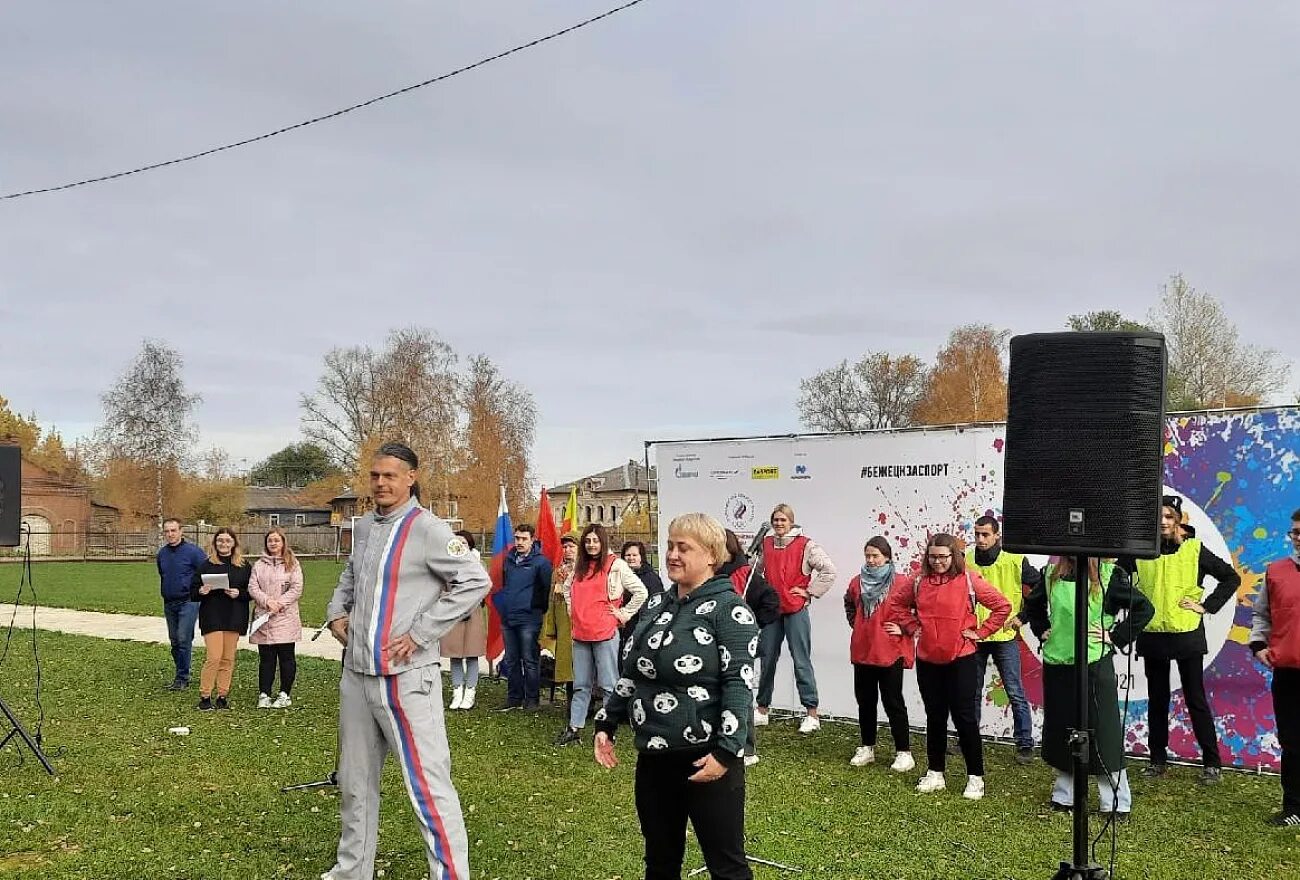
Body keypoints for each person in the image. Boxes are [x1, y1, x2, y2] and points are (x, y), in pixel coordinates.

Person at [321, 442, 491, 880]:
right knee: (354, 784)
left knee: (428, 787)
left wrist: (420, 634)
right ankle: (352, 871)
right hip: (356, 675)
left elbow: (475, 580)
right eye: (375, 475)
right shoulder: (363, 527)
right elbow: (351, 576)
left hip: (407, 680)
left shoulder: (430, 529)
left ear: (411, 477)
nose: (380, 483)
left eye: (390, 476)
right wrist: (337, 610)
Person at [594, 513, 759, 880]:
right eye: (670, 545)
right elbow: (634, 672)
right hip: (654, 759)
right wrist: (607, 721)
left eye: (684, 548)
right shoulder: (655, 605)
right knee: (660, 862)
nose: (672, 554)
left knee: (726, 867)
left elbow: (739, 684)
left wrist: (726, 751)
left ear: (711, 556)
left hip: (707, 760)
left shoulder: (730, 611)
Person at [1023, 555, 1153, 821]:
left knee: (1103, 732)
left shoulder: (1109, 575)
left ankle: (1115, 802)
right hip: (1058, 662)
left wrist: (1116, 636)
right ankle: (1064, 796)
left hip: (1094, 663)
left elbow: (1143, 608)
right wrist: (1041, 628)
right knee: (1063, 730)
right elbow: (1033, 605)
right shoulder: (1050, 574)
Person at [1124, 495, 1240, 784]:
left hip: (1187, 635)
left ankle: (1212, 762)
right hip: (1152, 635)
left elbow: (1230, 578)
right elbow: (1113, 575)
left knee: (1195, 697)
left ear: (1178, 520)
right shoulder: (1141, 550)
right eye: (1158, 517)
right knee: (1157, 699)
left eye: (1168, 517)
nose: (1162, 522)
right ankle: (1157, 760)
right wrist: (1130, 603)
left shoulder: (1194, 549)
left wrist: (1207, 606)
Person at [885, 533, 1010, 800]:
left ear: (954, 556)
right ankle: (935, 772)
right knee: (935, 717)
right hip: (929, 661)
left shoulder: (969, 579)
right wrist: (913, 626)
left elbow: (1002, 606)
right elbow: (896, 604)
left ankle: (975, 777)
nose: (938, 562)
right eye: (933, 557)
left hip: (961, 659)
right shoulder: (919, 580)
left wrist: (981, 632)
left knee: (965, 719)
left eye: (943, 557)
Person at [555, 523, 646, 746]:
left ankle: (607, 731)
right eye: (588, 541)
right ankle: (574, 728)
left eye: (595, 541)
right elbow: (567, 589)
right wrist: (572, 610)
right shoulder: (579, 567)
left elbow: (641, 592)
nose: (592, 545)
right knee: (581, 685)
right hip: (581, 634)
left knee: (608, 684)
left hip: (605, 633)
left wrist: (622, 614)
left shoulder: (616, 565)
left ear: (603, 542)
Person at [754, 503, 837, 734]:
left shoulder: (806, 545)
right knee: (767, 658)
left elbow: (829, 570)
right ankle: (762, 709)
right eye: (776, 520)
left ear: (791, 522)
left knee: (801, 660)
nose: (779, 524)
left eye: (783, 520)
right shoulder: (766, 544)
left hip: (795, 609)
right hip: (772, 611)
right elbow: (754, 570)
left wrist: (809, 592)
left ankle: (811, 713)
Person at [966, 515, 1041, 764]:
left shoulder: (1015, 559)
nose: (980, 539)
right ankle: (967, 739)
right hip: (975, 634)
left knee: (1015, 691)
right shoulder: (965, 559)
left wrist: (1024, 616)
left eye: (985, 534)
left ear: (997, 535)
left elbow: (1041, 589)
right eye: (977, 534)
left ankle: (1025, 744)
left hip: (1004, 634)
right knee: (971, 692)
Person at [843, 537, 915, 772]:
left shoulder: (903, 583)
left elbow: (919, 608)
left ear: (887, 556)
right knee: (865, 701)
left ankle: (904, 752)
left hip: (889, 651)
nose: (871, 560)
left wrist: (904, 628)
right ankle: (867, 747)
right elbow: (849, 604)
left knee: (893, 702)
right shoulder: (857, 582)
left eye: (875, 556)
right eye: (868, 556)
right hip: (863, 650)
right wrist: (858, 624)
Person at [1249, 508, 1300, 826]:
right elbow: (1262, 615)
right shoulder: (1276, 571)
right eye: (1296, 531)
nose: (1299, 537)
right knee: (1293, 741)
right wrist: (1258, 645)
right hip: (1289, 673)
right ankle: (1294, 807)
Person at [718, 529, 779, 766]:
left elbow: (771, 601)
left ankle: (748, 749)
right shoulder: (708, 573)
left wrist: (751, 624)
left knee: (739, 695)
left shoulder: (745, 572)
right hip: (714, 642)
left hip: (738, 645)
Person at [491, 523, 553, 712]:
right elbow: (505, 584)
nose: (519, 542)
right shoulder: (509, 559)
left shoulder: (541, 562)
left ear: (532, 540)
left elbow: (545, 590)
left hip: (529, 619)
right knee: (511, 659)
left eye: (524, 539)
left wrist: (534, 609)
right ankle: (514, 697)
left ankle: (532, 699)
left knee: (530, 660)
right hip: (508, 618)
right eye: (517, 538)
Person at [191, 527, 252, 711]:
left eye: (227, 541)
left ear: (234, 544)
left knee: (228, 658)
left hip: (234, 615)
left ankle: (222, 695)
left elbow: (252, 592)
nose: (223, 544)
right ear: (215, 543)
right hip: (212, 615)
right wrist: (201, 591)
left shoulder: (244, 566)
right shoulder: (206, 565)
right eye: (220, 541)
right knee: (214, 657)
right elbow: (193, 591)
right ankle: (205, 695)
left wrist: (239, 593)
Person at [248, 527, 304, 709]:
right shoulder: (259, 565)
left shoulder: (292, 564)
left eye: (276, 540)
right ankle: (264, 693)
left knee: (286, 656)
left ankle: (284, 693)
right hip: (264, 617)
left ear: (282, 542)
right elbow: (253, 587)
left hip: (285, 617)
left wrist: (278, 603)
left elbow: (296, 588)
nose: (273, 543)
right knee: (266, 658)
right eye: (270, 540)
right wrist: (266, 601)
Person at [157, 517, 208, 690]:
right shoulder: (162, 554)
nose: (170, 534)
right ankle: (181, 672)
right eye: (167, 531)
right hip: (169, 603)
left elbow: (205, 572)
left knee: (183, 637)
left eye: (173, 530)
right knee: (174, 641)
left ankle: (183, 677)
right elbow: (163, 574)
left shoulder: (194, 552)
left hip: (188, 601)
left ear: (181, 531)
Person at [442, 530, 486, 711]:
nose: (461, 547)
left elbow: (483, 589)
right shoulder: (446, 567)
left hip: (473, 615)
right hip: (453, 615)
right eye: (457, 543)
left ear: (470, 546)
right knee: (455, 655)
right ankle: (457, 691)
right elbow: (442, 589)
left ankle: (470, 691)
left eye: (464, 544)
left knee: (471, 654)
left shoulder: (478, 565)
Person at [541, 532, 578, 704]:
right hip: (564, 627)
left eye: (571, 546)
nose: (567, 550)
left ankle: (587, 704)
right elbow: (552, 600)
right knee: (567, 666)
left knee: (582, 668)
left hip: (581, 626)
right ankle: (571, 704)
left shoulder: (585, 571)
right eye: (564, 547)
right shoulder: (558, 572)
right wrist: (551, 627)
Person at [621, 540, 665, 636]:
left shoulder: (651, 578)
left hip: (641, 628)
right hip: (621, 627)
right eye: (628, 555)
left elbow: (657, 605)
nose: (631, 558)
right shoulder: (620, 576)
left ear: (641, 557)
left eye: (634, 555)